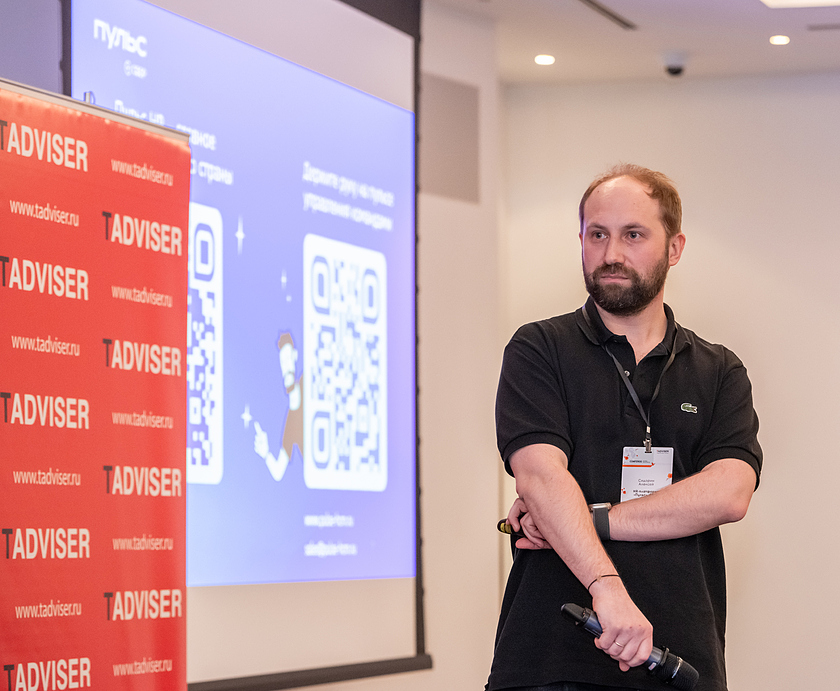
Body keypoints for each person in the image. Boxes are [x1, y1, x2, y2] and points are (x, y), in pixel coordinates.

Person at [486, 164, 762, 691]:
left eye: (633, 235)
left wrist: (588, 518)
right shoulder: (539, 349)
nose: (611, 253)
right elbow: (541, 477)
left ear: (674, 248)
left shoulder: (719, 370)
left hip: (680, 660)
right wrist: (606, 586)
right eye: (597, 234)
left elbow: (728, 493)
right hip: (552, 657)